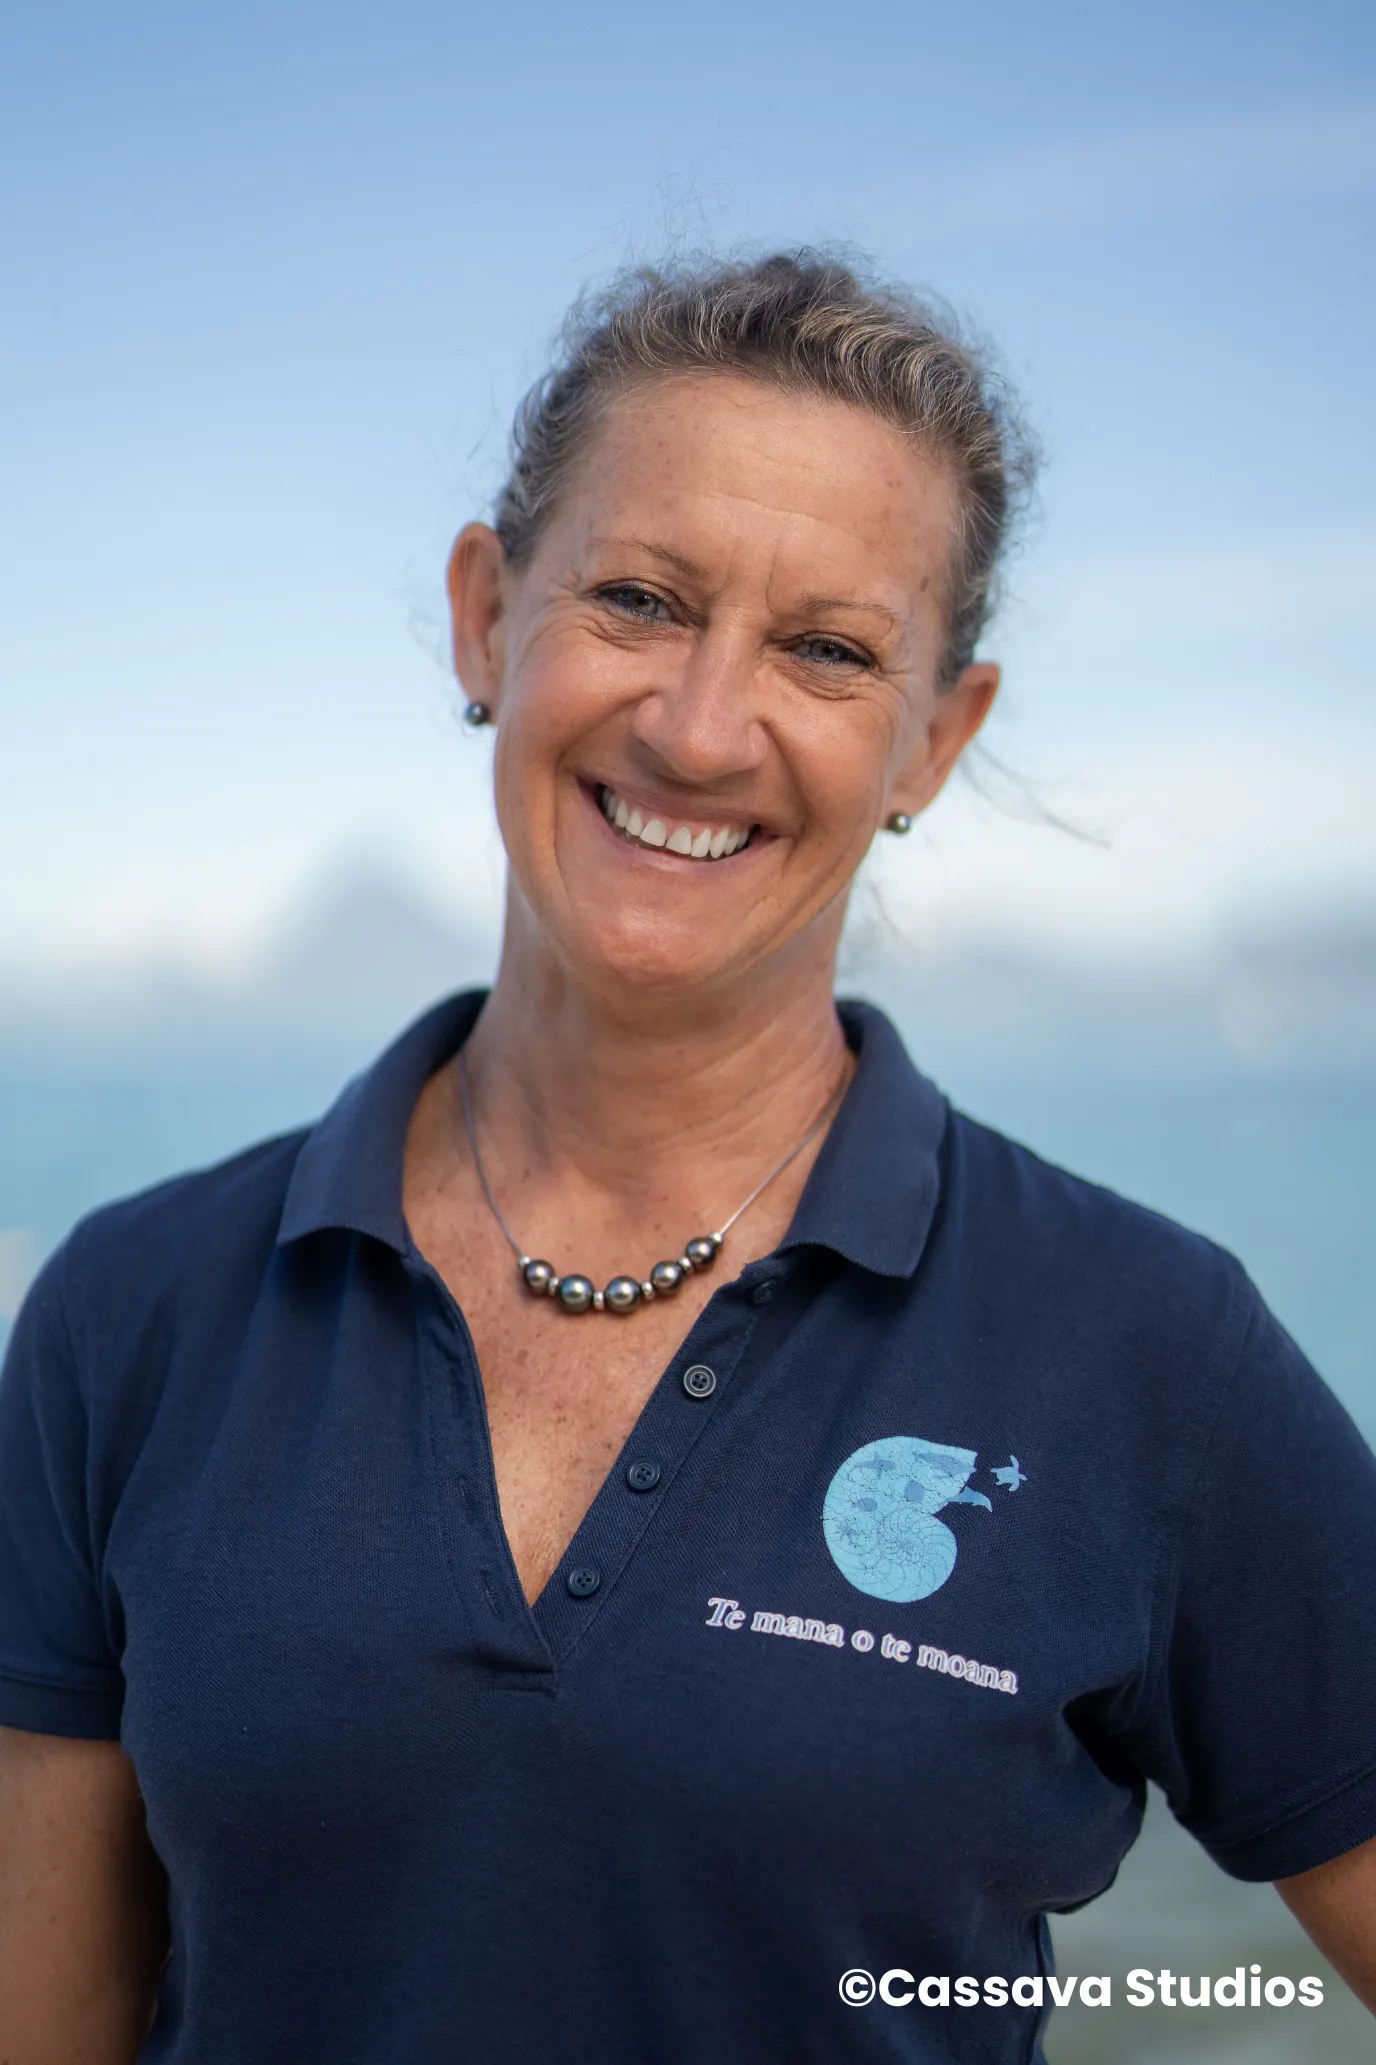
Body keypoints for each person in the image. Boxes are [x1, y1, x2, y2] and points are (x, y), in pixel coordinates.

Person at [1, 252, 1373, 2065]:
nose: (702, 727)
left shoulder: (1149, 1353)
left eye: (828, 649)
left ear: (934, 740)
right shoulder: (134, 1308)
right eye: (640, 599)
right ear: (488, 616)